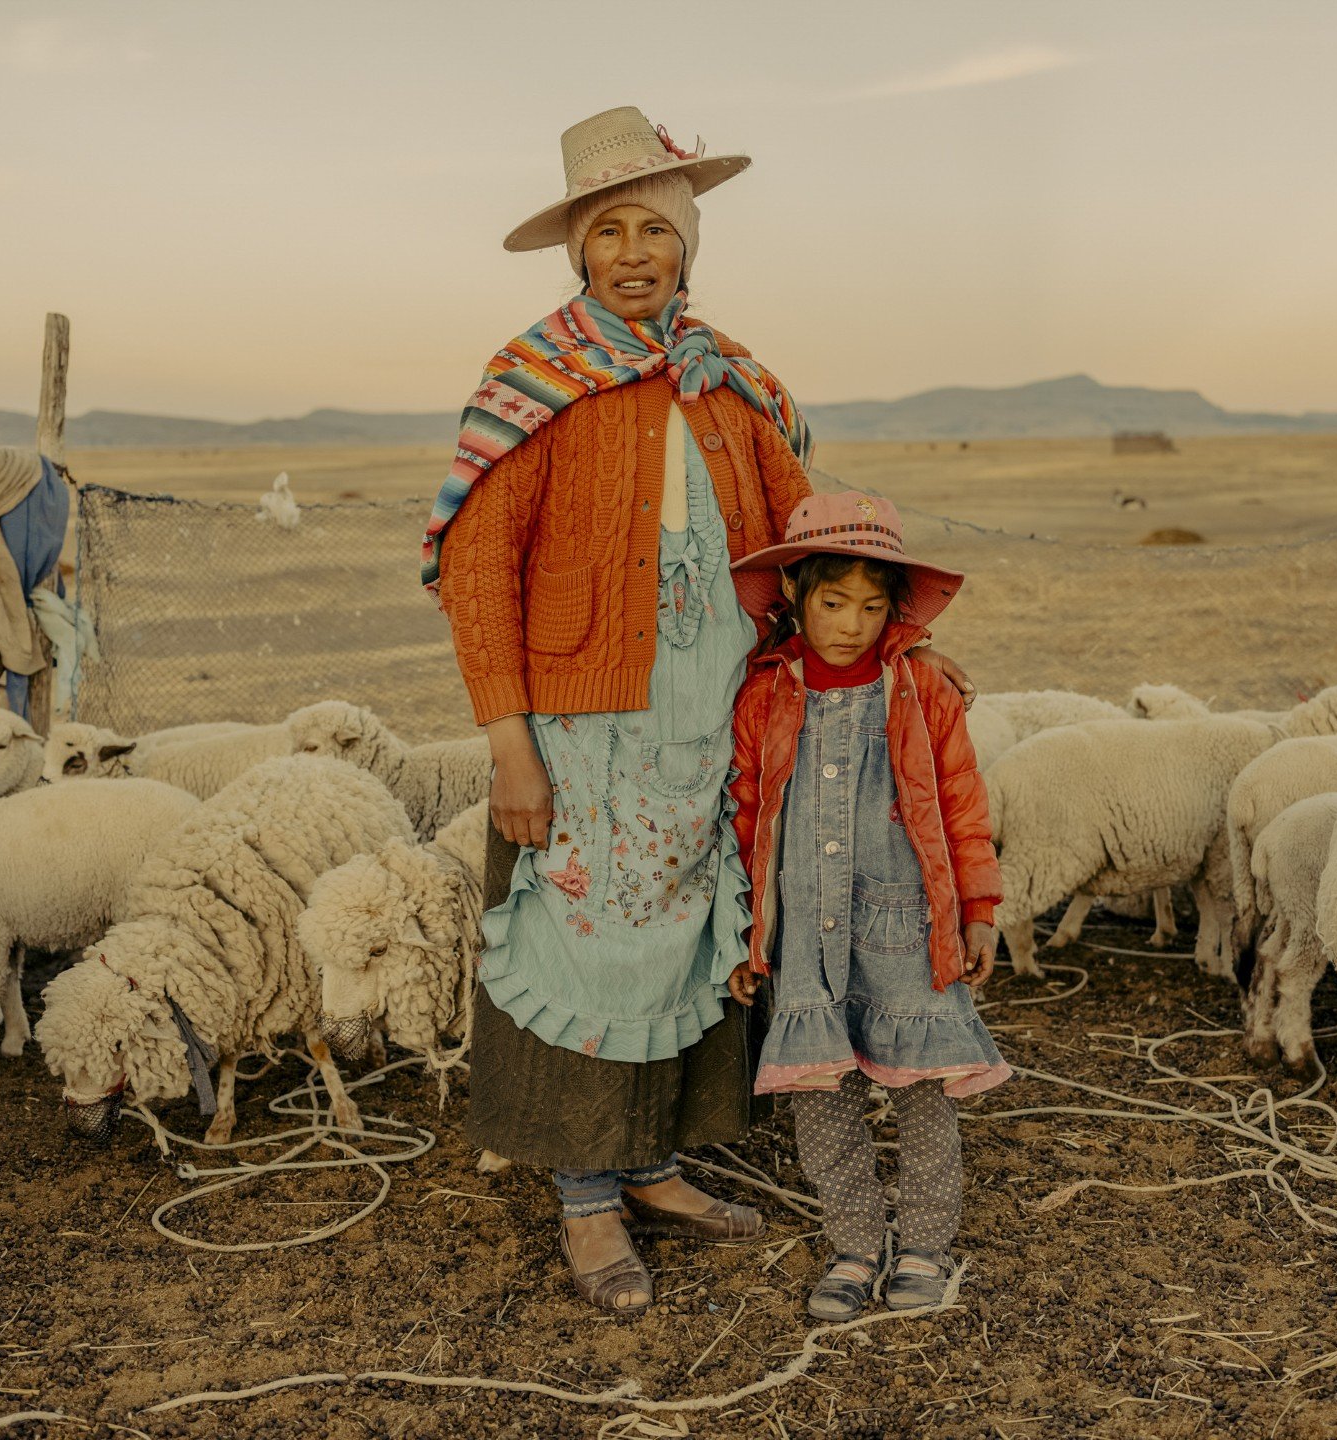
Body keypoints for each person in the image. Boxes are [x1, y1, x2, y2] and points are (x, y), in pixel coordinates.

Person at [425, 109, 977, 1317]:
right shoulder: (535, 383)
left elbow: (810, 539)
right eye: (610, 230)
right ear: (579, 252)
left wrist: (892, 650)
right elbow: (478, 572)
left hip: (712, 725)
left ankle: (656, 1165)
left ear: (687, 246)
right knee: (590, 944)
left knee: (688, 945)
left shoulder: (730, 381)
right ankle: (584, 1200)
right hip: (583, 728)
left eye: (656, 231)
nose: (634, 252)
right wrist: (510, 742)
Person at [724, 490, 1008, 1321]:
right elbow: (747, 817)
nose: (850, 623)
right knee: (823, 1100)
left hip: (907, 928)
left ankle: (923, 1243)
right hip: (807, 936)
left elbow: (961, 801)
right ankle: (854, 1245)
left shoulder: (922, 689)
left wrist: (979, 907)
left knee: (923, 1094)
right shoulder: (765, 697)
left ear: (895, 610)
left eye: (872, 605)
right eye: (833, 602)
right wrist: (748, 935)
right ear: (798, 599)